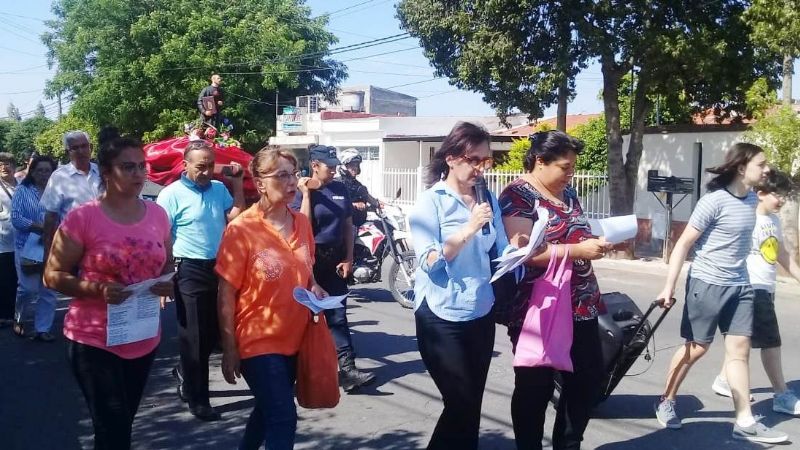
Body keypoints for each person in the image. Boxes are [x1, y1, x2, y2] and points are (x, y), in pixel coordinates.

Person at [43, 135, 174, 450]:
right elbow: (52, 275)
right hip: (94, 339)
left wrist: (165, 283)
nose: (138, 174)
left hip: (142, 335)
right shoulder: (83, 218)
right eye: (128, 167)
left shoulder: (157, 215)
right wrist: (96, 289)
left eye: (142, 166)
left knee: (121, 423)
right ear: (105, 172)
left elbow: (166, 261)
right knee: (113, 425)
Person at [653, 143, 788, 443]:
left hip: (741, 285)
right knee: (697, 347)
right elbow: (684, 244)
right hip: (707, 282)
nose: (767, 169)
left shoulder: (753, 198)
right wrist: (669, 286)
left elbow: (773, 211)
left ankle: (745, 420)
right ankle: (667, 400)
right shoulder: (713, 201)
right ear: (742, 168)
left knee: (739, 352)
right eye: (761, 164)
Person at [498, 131, 611, 450]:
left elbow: (578, 235)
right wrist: (579, 251)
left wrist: (598, 246)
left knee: (586, 379)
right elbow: (526, 253)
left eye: (572, 167)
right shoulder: (518, 195)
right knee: (536, 385)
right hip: (539, 306)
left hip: (581, 301)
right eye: (565, 166)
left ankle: (568, 442)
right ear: (539, 161)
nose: (570, 173)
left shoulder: (569, 194)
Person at [216, 146, 328, 450]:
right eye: (282, 175)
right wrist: (229, 348)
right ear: (260, 182)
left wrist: (315, 288)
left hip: (296, 337)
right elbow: (226, 291)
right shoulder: (242, 228)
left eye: (294, 175)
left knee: (266, 413)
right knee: (283, 417)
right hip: (258, 340)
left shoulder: (302, 223)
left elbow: (306, 271)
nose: (292, 182)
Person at [409, 122, 512, 449]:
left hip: (480, 309)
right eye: (474, 160)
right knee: (460, 403)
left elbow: (501, 248)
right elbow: (428, 261)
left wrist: (523, 247)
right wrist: (468, 228)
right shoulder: (431, 201)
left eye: (486, 160)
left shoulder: (487, 199)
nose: (481, 169)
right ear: (452, 158)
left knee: (471, 408)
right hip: (441, 316)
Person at [156, 140, 244, 421]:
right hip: (187, 269)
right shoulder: (170, 195)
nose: (206, 172)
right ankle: (198, 398)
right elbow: (162, 238)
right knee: (193, 335)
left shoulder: (219, 189)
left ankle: (185, 371)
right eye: (199, 166)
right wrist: (164, 275)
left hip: (217, 268)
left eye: (209, 166)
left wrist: (238, 184)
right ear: (185, 165)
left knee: (210, 332)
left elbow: (235, 217)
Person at [710, 169, 800, 416]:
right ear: (760, 193)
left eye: (784, 194)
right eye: (776, 194)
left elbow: (781, 254)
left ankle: (724, 379)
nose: (781, 199)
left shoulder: (773, 220)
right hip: (751, 287)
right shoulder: (746, 217)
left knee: (742, 340)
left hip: (766, 288)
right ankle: (781, 395)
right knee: (771, 341)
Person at [292, 145, 375, 392]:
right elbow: (302, 227)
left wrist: (349, 257)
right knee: (306, 318)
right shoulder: (300, 192)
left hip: (336, 260)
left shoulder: (339, 188)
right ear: (314, 165)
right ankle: (304, 372)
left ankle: (348, 371)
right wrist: (306, 194)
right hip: (309, 260)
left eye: (335, 165)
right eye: (329, 166)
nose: (334, 170)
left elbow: (348, 225)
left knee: (338, 317)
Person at [11, 155, 58, 340]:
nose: (44, 174)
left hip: (53, 246)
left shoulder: (58, 191)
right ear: (32, 172)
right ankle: (19, 317)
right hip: (27, 246)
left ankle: (43, 329)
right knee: (27, 288)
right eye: (40, 170)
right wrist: (40, 227)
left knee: (49, 289)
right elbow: (16, 218)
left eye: (47, 170)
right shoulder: (22, 190)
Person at [40, 130, 102, 260]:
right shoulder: (59, 177)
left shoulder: (102, 172)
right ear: (67, 152)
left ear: (91, 147)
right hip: (73, 246)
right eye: (75, 148)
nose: (81, 151)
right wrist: (48, 252)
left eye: (84, 146)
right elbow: (50, 217)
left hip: (104, 243)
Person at [336, 148, 376, 228]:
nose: (355, 168)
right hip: (344, 226)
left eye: (356, 165)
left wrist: (378, 203)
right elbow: (336, 202)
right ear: (343, 166)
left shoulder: (357, 184)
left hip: (359, 224)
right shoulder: (337, 184)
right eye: (351, 165)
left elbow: (366, 195)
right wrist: (354, 204)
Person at [0, 152, 18, 328]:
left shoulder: (22, 186)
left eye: (7, 163)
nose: (4, 167)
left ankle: (14, 313)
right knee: (3, 278)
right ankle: (3, 314)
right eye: (0, 164)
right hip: (1, 241)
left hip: (20, 241)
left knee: (16, 279)